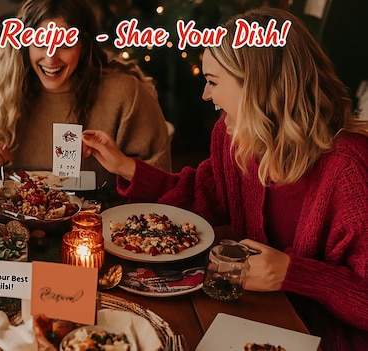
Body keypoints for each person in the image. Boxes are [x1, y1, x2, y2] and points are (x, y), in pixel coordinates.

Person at [81, 7, 368, 351]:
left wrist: (294, 273)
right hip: (253, 319)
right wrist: (126, 167)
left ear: (260, 86)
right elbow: (203, 198)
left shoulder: (349, 169)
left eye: (213, 82)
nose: (205, 95)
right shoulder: (234, 138)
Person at [0, 0, 172, 195]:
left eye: (64, 44)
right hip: (10, 234)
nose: (51, 58)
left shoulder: (125, 93)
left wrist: (122, 165)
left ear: (84, 45)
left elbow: (165, 183)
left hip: (99, 232)